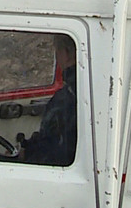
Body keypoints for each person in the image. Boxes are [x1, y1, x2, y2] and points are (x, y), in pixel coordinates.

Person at [22, 34, 77, 166]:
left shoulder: (65, 99)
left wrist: (27, 153)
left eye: (57, 52)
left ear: (66, 54)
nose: (57, 60)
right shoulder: (90, 88)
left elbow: (51, 148)